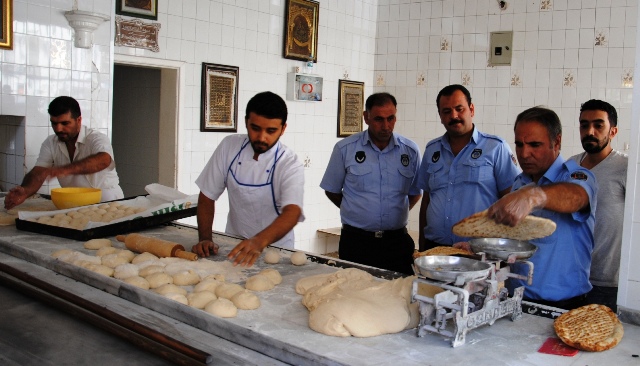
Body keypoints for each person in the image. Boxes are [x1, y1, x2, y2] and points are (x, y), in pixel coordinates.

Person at [486, 106, 597, 310]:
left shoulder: (577, 177)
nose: (524, 153)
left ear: (557, 142)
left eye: (535, 145)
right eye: (519, 145)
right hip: (515, 299)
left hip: (564, 307)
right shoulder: (520, 182)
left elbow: (577, 198)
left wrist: (532, 196)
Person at [191, 91, 304, 267]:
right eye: (255, 128)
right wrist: (205, 238)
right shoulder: (229, 147)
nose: (261, 138)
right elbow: (207, 195)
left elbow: (292, 212)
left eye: (271, 131)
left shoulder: (289, 163)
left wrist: (258, 242)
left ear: (283, 129)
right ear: (246, 122)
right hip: (234, 245)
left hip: (276, 251)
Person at [320, 92, 421, 275]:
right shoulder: (345, 149)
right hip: (357, 243)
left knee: (400, 297)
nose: (386, 126)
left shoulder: (410, 151)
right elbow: (332, 190)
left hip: (396, 243)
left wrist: (395, 212)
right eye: (378, 119)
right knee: (353, 296)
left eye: (391, 118)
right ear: (366, 117)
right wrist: (355, 209)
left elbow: (415, 193)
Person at [417, 84, 520, 251]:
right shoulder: (432, 150)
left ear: (471, 109)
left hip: (478, 251)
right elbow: (427, 200)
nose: (454, 116)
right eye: (447, 111)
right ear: (440, 116)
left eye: (459, 109)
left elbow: (511, 201)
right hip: (435, 248)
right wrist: (421, 247)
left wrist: (501, 250)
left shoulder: (495, 148)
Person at [4, 96, 124, 210]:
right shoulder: (51, 143)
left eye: (65, 123)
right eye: (54, 123)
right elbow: (38, 173)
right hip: (75, 205)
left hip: (108, 203)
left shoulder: (96, 138)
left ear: (78, 120)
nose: (58, 129)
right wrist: (25, 191)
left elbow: (103, 160)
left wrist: (65, 169)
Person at [569, 100, 627, 312]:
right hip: (573, 275)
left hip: (607, 281)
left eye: (598, 125)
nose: (590, 131)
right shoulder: (571, 166)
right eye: (584, 125)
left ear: (613, 131)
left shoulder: (625, 168)